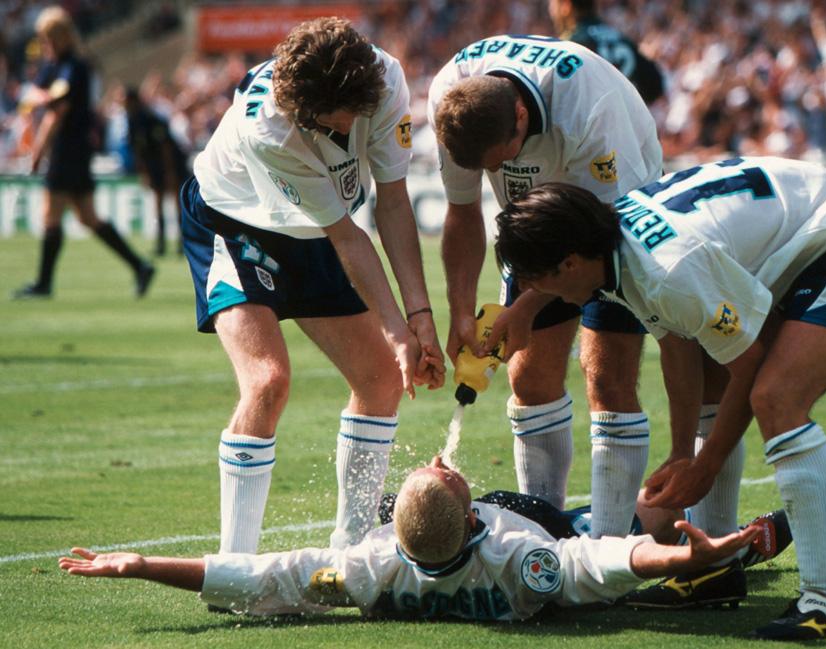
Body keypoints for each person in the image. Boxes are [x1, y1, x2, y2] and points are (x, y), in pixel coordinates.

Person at [493, 156, 826, 640]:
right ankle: (710, 570)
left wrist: (706, 463)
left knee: (776, 399)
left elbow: (749, 360)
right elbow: (679, 346)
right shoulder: (614, 252)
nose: (530, 290)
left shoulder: (666, 270)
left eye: (534, 279)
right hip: (810, 238)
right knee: (717, 381)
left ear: (569, 264)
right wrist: (680, 454)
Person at [180, 17, 445, 554]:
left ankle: (350, 549)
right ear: (301, 111)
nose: (346, 135)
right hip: (235, 220)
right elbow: (349, 238)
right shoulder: (268, 131)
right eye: (331, 126)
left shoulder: (386, 78)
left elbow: (391, 202)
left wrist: (420, 317)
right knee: (267, 381)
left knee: (380, 382)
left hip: (318, 229)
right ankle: (237, 567)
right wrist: (397, 332)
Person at [427, 34, 664, 539]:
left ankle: (611, 546)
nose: (494, 171)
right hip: (537, 222)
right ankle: (542, 528)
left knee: (606, 378)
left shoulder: (588, 107)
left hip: (616, 216)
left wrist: (529, 306)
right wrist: (462, 311)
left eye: (500, 158)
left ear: (519, 115)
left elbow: (604, 231)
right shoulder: (450, 96)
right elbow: (463, 211)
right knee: (529, 380)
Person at [59, 455, 761, 621]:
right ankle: (716, 559)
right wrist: (673, 552)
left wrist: (144, 564)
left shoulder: (367, 569)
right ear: (475, 512)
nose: (442, 464)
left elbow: (257, 574)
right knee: (633, 510)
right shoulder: (519, 556)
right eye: (450, 476)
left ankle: (714, 551)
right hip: (551, 525)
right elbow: (600, 561)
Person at [13, 6, 155, 300]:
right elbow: (32, 95)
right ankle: (140, 266)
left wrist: (38, 151)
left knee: (51, 214)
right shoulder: (56, 66)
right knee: (87, 217)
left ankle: (43, 283)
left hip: (69, 148)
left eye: (47, 37)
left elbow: (56, 110)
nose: (43, 43)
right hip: (74, 149)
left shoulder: (72, 67)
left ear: (58, 36)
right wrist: (40, 98)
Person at [548, 0, 665, 104]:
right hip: (626, 124)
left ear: (566, 6)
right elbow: (655, 86)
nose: (551, 10)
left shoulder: (570, 46)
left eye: (552, 4)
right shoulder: (621, 38)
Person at [124, 87, 190, 256]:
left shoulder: (150, 118)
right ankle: (161, 244)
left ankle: (183, 244)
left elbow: (166, 147)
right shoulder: (131, 120)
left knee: (177, 203)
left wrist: (170, 173)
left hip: (172, 164)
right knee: (158, 202)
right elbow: (137, 150)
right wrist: (144, 173)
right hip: (154, 165)